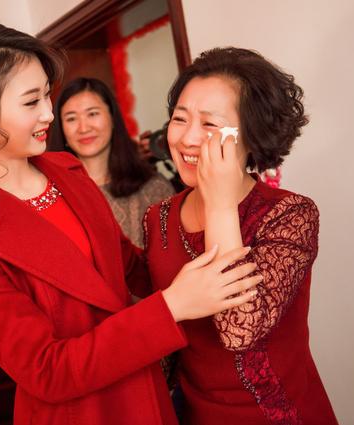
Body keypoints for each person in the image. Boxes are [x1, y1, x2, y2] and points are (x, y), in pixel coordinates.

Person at [0, 25, 262, 425]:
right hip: (81, 413)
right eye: (31, 101)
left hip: (145, 393)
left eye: (46, 94)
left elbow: (134, 269)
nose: (49, 113)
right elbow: (46, 370)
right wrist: (171, 307)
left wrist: (219, 212)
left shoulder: (66, 170)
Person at [143, 47, 339, 424]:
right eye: (179, 119)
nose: (187, 138)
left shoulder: (289, 213)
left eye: (209, 124)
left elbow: (239, 330)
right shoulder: (158, 218)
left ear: (250, 135)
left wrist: (219, 203)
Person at [49, 77, 174, 247]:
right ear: (61, 129)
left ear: (113, 118)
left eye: (93, 114)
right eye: (71, 119)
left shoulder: (155, 189)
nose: (83, 128)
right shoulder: (49, 195)